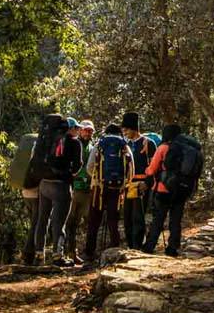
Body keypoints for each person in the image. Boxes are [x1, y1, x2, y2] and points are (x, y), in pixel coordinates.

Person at [25, 115, 82, 266]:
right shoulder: (74, 143)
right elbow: (77, 167)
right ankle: (58, 256)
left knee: (42, 220)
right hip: (61, 186)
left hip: (44, 184)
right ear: (69, 128)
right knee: (59, 222)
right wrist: (68, 174)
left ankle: (39, 255)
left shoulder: (44, 140)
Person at [143, 123, 203, 257]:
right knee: (176, 219)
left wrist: (146, 171)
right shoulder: (190, 149)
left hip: (163, 189)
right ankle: (172, 248)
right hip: (183, 190)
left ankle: (149, 246)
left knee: (158, 218)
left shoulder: (163, 147)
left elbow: (152, 170)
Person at [83, 123, 134, 265]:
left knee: (94, 222)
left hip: (98, 189)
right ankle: (115, 252)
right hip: (116, 190)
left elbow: (89, 166)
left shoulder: (99, 144)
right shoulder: (124, 146)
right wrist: (124, 184)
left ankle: (89, 253)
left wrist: (96, 178)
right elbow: (131, 169)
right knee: (113, 221)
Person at [63, 119, 96, 265]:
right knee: (69, 222)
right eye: (86, 130)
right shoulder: (73, 143)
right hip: (74, 188)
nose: (88, 132)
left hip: (87, 190)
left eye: (90, 131)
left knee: (76, 223)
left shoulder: (93, 147)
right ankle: (66, 254)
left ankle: (75, 253)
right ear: (80, 130)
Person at [121, 112, 154, 249]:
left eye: (127, 129)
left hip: (141, 185)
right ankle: (130, 245)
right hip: (127, 185)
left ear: (134, 128)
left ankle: (137, 246)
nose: (125, 132)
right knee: (127, 217)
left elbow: (153, 166)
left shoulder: (148, 143)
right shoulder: (124, 144)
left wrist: (147, 183)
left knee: (138, 217)